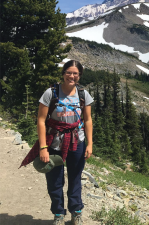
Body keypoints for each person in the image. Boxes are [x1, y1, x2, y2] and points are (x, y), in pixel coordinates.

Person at [37, 60, 93, 225]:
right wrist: (43, 148)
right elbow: (41, 120)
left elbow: (88, 120)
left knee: (75, 177)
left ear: (79, 75)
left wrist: (89, 144)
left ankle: (76, 212)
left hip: (77, 140)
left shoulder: (83, 94)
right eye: (69, 72)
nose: (72, 76)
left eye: (75, 73)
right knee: (55, 179)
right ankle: (58, 214)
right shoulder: (51, 93)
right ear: (63, 73)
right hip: (54, 142)